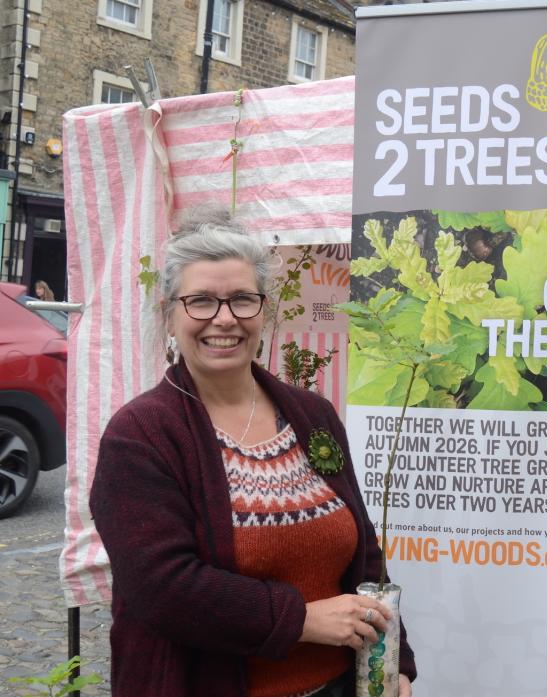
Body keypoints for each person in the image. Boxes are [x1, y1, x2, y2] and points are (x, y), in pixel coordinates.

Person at [90, 212, 416, 697]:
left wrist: (395, 664)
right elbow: (161, 589)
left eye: (242, 299)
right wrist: (301, 619)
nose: (224, 318)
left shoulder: (312, 415)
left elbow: (365, 554)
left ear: (264, 310)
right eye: (200, 301)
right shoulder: (140, 434)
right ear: (169, 314)